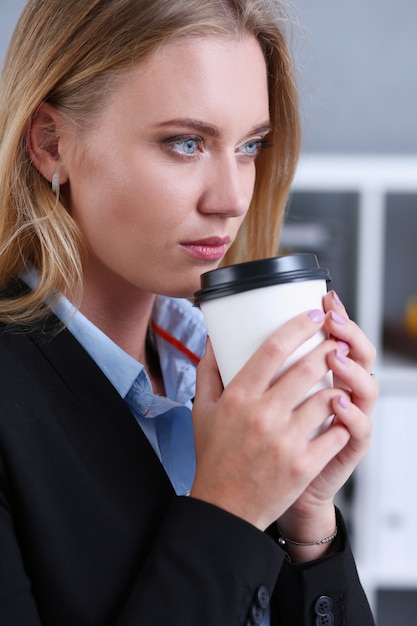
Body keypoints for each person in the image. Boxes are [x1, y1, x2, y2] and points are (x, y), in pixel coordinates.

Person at [0, 1, 378, 624]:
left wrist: (307, 521)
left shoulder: (219, 371)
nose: (231, 199)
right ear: (51, 143)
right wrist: (229, 509)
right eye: (185, 143)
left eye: (251, 145)